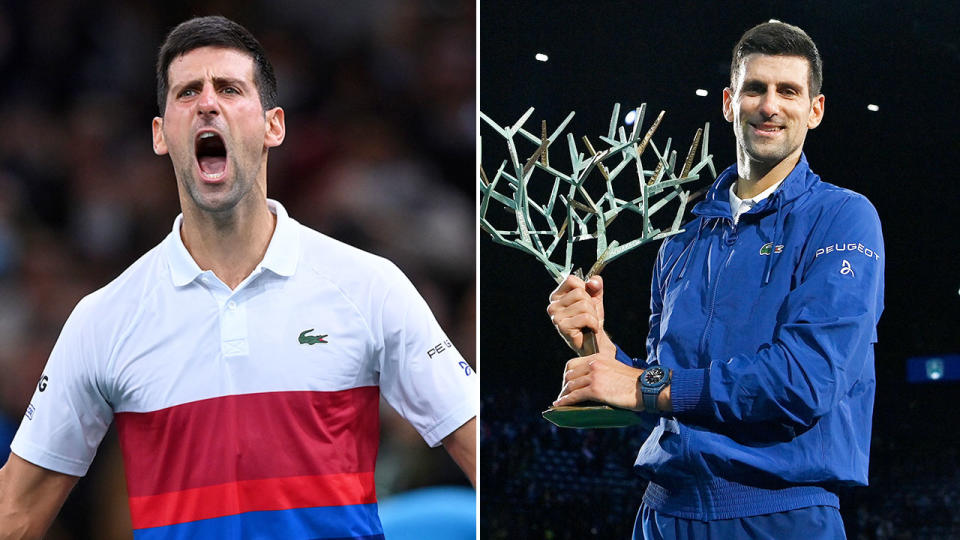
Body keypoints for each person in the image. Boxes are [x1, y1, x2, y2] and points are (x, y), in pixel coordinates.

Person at [0, 15, 477, 539]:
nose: (208, 103)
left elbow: (487, 457)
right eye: (186, 93)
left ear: (273, 124)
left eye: (229, 88)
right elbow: (16, 513)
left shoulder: (370, 286)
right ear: (161, 135)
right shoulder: (103, 319)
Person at [547, 21, 883, 539]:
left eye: (788, 91)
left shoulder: (843, 218)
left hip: (781, 518)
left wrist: (641, 385)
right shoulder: (680, 236)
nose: (770, 106)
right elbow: (667, 398)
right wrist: (604, 353)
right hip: (663, 515)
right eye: (755, 89)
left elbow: (805, 380)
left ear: (814, 111)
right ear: (729, 102)